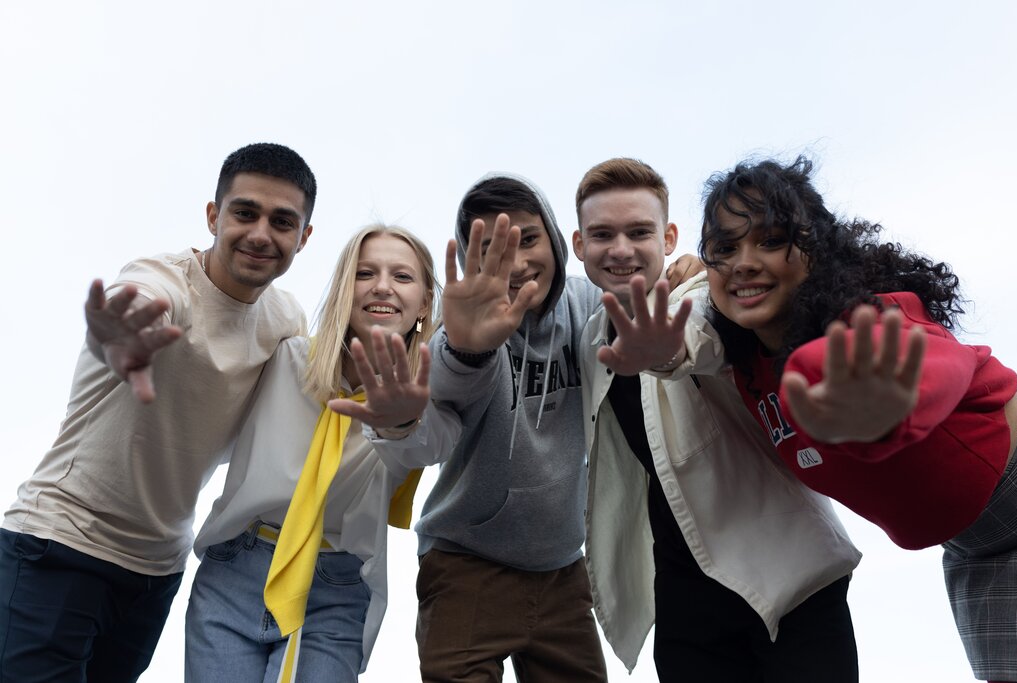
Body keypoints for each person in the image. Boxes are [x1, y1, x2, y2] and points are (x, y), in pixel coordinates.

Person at [694, 156, 1017, 683]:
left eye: (771, 240)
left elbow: (932, 362)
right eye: (724, 248)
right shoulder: (748, 368)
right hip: (979, 549)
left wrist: (886, 411)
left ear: (814, 250)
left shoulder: (864, 321)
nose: (744, 262)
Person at [0, 143, 316, 682]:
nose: (261, 233)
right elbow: (141, 297)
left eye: (282, 222)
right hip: (60, 545)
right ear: (213, 216)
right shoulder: (164, 280)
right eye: (244, 212)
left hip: (156, 571)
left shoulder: (284, 319)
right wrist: (122, 337)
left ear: (304, 238)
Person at [572, 157, 861, 682]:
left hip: (789, 577)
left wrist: (665, 354)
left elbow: (701, 341)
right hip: (686, 598)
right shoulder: (592, 336)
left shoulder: (704, 297)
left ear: (669, 238)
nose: (619, 249)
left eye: (639, 232)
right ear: (579, 246)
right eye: (602, 234)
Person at [185, 224, 458, 682]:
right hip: (236, 568)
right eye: (364, 273)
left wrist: (399, 420)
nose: (383, 286)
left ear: (426, 303)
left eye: (403, 277)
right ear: (344, 289)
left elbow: (427, 445)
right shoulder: (284, 359)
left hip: (334, 586)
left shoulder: (429, 398)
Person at [403, 173, 609, 682]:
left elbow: (648, 305)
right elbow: (448, 391)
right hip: (467, 564)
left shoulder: (584, 305)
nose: (517, 264)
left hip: (561, 569)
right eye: (494, 249)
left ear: (557, 239)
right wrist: (470, 349)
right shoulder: (460, 330)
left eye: (530, 240)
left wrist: (689, 273)